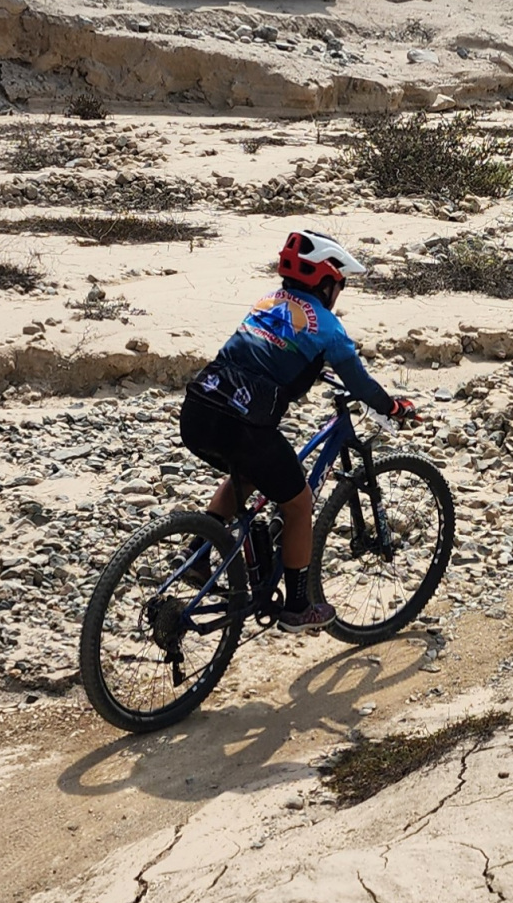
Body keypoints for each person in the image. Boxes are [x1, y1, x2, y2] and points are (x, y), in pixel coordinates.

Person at [178, 228, 417, 633]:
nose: (339, 293)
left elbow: (268, 352)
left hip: (198, 411)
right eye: (339, 285)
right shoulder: (328, 329)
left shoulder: (267, 302)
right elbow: (360, 385)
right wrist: (393, 407)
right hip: (244, 425)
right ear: (326, 282)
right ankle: (298, 607)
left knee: (247, 472)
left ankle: (197, 553)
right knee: (299, 502)